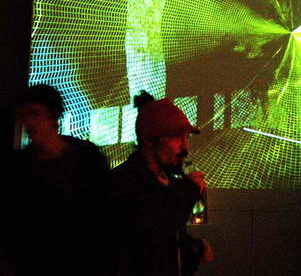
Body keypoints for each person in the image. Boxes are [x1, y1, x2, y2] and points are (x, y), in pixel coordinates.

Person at [1, 84, 110, 276]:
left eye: (34, 113)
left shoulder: (89, 159)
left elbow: (104, 216)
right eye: (23, 115)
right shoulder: (17, 169)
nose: (29, 122)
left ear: (53, 116)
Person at [106, 91, 213, 276]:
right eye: (177, 137)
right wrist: (189, 188)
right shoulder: (123, 182)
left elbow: (166, 241)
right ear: (148, 140)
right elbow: (150, 230)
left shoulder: (167, 180)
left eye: (187, 137)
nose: (185, 146)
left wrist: (192, 249)